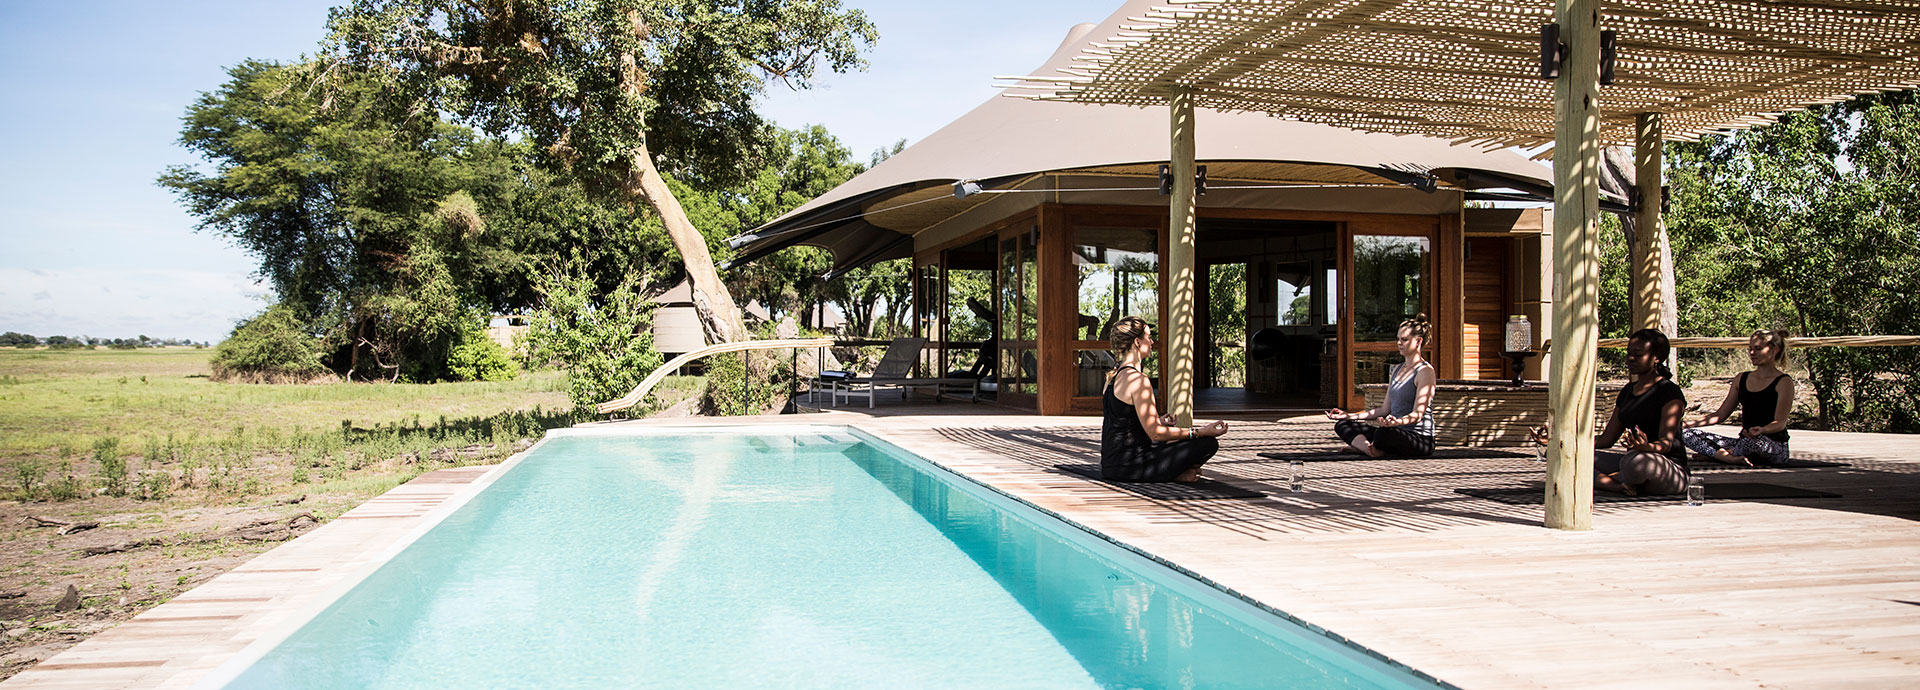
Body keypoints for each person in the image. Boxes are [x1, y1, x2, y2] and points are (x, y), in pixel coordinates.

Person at [1101, 316, 1229, 482]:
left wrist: (1158, 421)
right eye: (1148, 337)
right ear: (1137, 343)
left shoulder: (1112, 379)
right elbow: (1155, 434)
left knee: (1171, 440)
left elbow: (1123, 422)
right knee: (1207, 443)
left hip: (1110, 466)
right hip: (1133, 467)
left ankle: (1177, 473)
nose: (1152, 342)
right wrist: (1200, 432)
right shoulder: (1138, 380)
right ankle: (1176, 474)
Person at [1324, 314, 1437, 458]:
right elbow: (1384, 409)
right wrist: (1349, 416)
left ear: (1418, 341)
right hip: (1393, 430)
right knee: (1343, 425)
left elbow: (1418, 414)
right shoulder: (1397, 369)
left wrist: (1397, 422)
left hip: (1418, 439)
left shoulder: (1424, 371)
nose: (1399, 343)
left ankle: (1367, 448)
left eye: (1404, 339)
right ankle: (1369, 449)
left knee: (1383, 434)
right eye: (1398, 339)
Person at [1592, 328, 1689, 495]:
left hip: (1665, 468)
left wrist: (1647, 447)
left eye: (1638, 354)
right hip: (1631, 462)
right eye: (1629, 353)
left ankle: (1614, 479)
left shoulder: (1669, 392)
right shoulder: (1628, 391)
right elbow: (1606, 439)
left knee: (1636, 462)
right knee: (1569, 456)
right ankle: (1619, 486)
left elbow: (1666, 444)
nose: (1630, 358)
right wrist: (1565, 442)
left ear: (1656, 358)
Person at [1682, 330, 1795, 466]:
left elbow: (1780, 423)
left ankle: (1720, 455)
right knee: (1686, 434)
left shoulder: (1783, 382)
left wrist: (1762, 430)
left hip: (1771, 446)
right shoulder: (1741, 378)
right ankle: (1728, 455)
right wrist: (1687, 424)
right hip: (1742, 442)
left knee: (1752, 442)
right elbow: (1720, 415)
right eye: (1750, 349)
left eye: (1758, 349)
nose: (1752, 353)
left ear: (1773, 350)